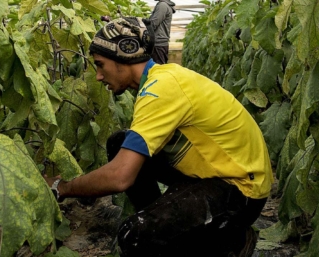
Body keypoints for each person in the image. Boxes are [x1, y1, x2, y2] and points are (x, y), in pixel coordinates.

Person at [45, 17, 273, 257]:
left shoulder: (160, 89)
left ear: (124, 57)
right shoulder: (161, 78)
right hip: (214, 171)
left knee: (133, 236)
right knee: (120, 142)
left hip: (242, 190)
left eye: (100, 65)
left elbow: (120, 177)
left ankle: (229, 241)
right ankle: (166, 224)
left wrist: (63, 187)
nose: (99, 76)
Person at [149, 0, 176, 64]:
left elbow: (153, 23)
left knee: (158, 70)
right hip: (160, 43)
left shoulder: (162, 5)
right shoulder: (164, 5)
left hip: (158, 43)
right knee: (160, 69)